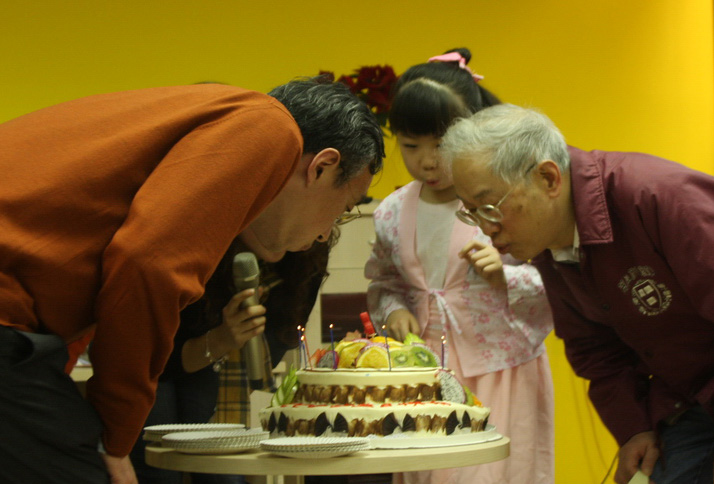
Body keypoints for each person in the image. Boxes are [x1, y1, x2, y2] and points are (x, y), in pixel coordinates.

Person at [0, 77, 384, 484]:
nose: (325, 234)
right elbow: (149, 264)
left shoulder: (207, 111)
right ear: (321, 167)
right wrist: (113, 441)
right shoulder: (270, 128)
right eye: (341, 210)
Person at [442, 102, 714, 484]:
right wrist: (634, 428)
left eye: (489, 207)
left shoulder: (657, 198)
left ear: (548, 179)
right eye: (471, 212)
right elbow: (595, 349)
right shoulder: (551, 246)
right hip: (687, 400)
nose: (486, 229)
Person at [364, 49, 554, 484]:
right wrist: (393, 310)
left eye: (441, 144)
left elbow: (554, 276)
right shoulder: (391, 212)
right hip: (426, 374)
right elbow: (383, 280)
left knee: (490, 474)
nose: (428, 160)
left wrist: (503, 274)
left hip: (499, 368)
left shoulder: (504, 200)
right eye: (411, 146)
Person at [129, 232, 338, 484]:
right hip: (160, 361)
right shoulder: (200, 244)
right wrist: (220, 340)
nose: (325, 230)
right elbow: (155, 357)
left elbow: (283, 336)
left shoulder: (310, 252)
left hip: (220, 371)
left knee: (222, 471)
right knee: (157, 468)